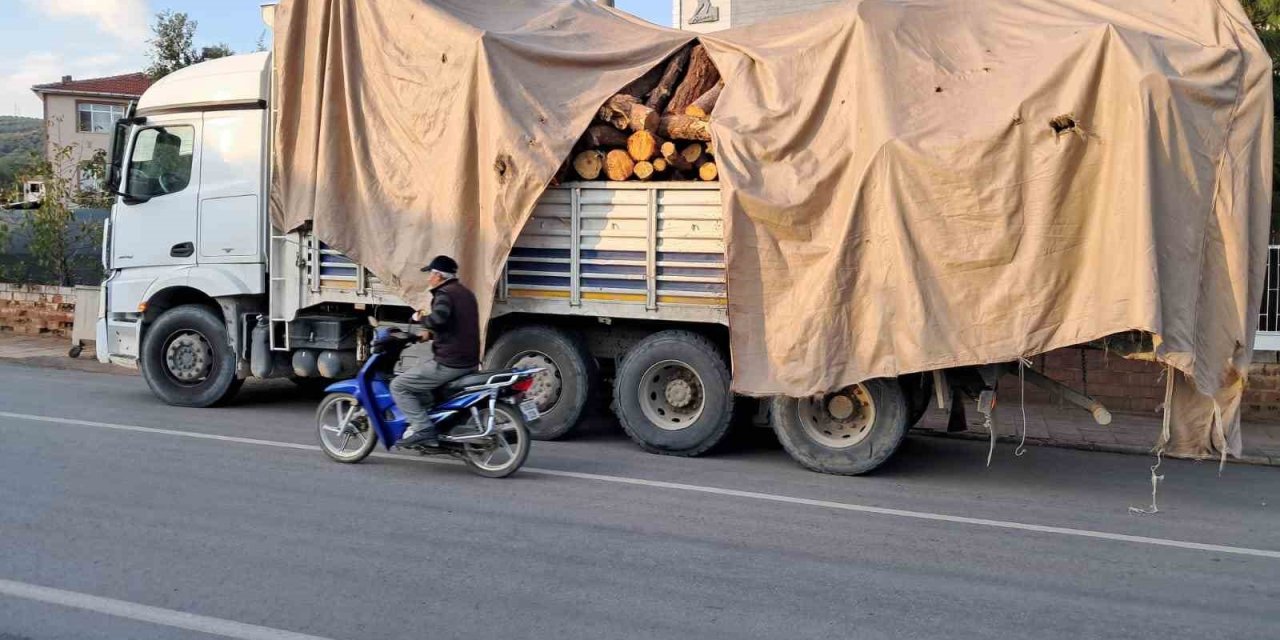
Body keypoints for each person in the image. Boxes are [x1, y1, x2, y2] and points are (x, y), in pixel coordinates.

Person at [392, 255, 480, 447]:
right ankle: (436, 421)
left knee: (399, 385)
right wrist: (429, 335)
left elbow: (439, 319)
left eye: (430, 274)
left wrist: (420, 319)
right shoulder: (465, 293)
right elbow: (455, 325)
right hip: (469, 359)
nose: (428, 278)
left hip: (450, 361)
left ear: (439, 276)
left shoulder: (445, 294)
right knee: (422, 381)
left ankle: (423, 428)